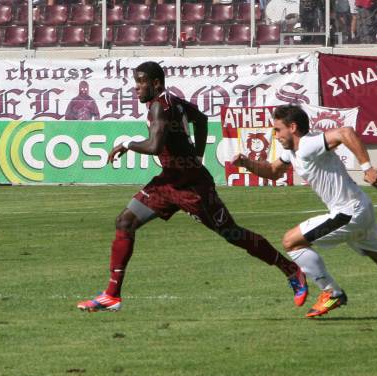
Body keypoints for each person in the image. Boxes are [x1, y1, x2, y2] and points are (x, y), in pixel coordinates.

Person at [76, 62, 308, 312]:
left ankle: (292, 270)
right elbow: (201, 119)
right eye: (136, 81)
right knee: (125, 222)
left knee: (232, 233)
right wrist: (197, 155)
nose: (137, 87)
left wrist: (126, 143)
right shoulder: (172, 101)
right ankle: (112, 295)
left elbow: (154, 145)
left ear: (156, 83)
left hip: (192, 188)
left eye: (141, 81)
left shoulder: (159, 107)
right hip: (168, 181)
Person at [232, 105, 377, 323]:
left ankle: (331, 293)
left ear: (292, 127)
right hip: (359, 209)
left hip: (348, 213)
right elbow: (272, 171)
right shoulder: (292, 152)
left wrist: (367, 167)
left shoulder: (309, 144)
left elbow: (345, 132)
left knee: (291, 241)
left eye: (278, 129)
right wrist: (246, 163)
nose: (276, 135)